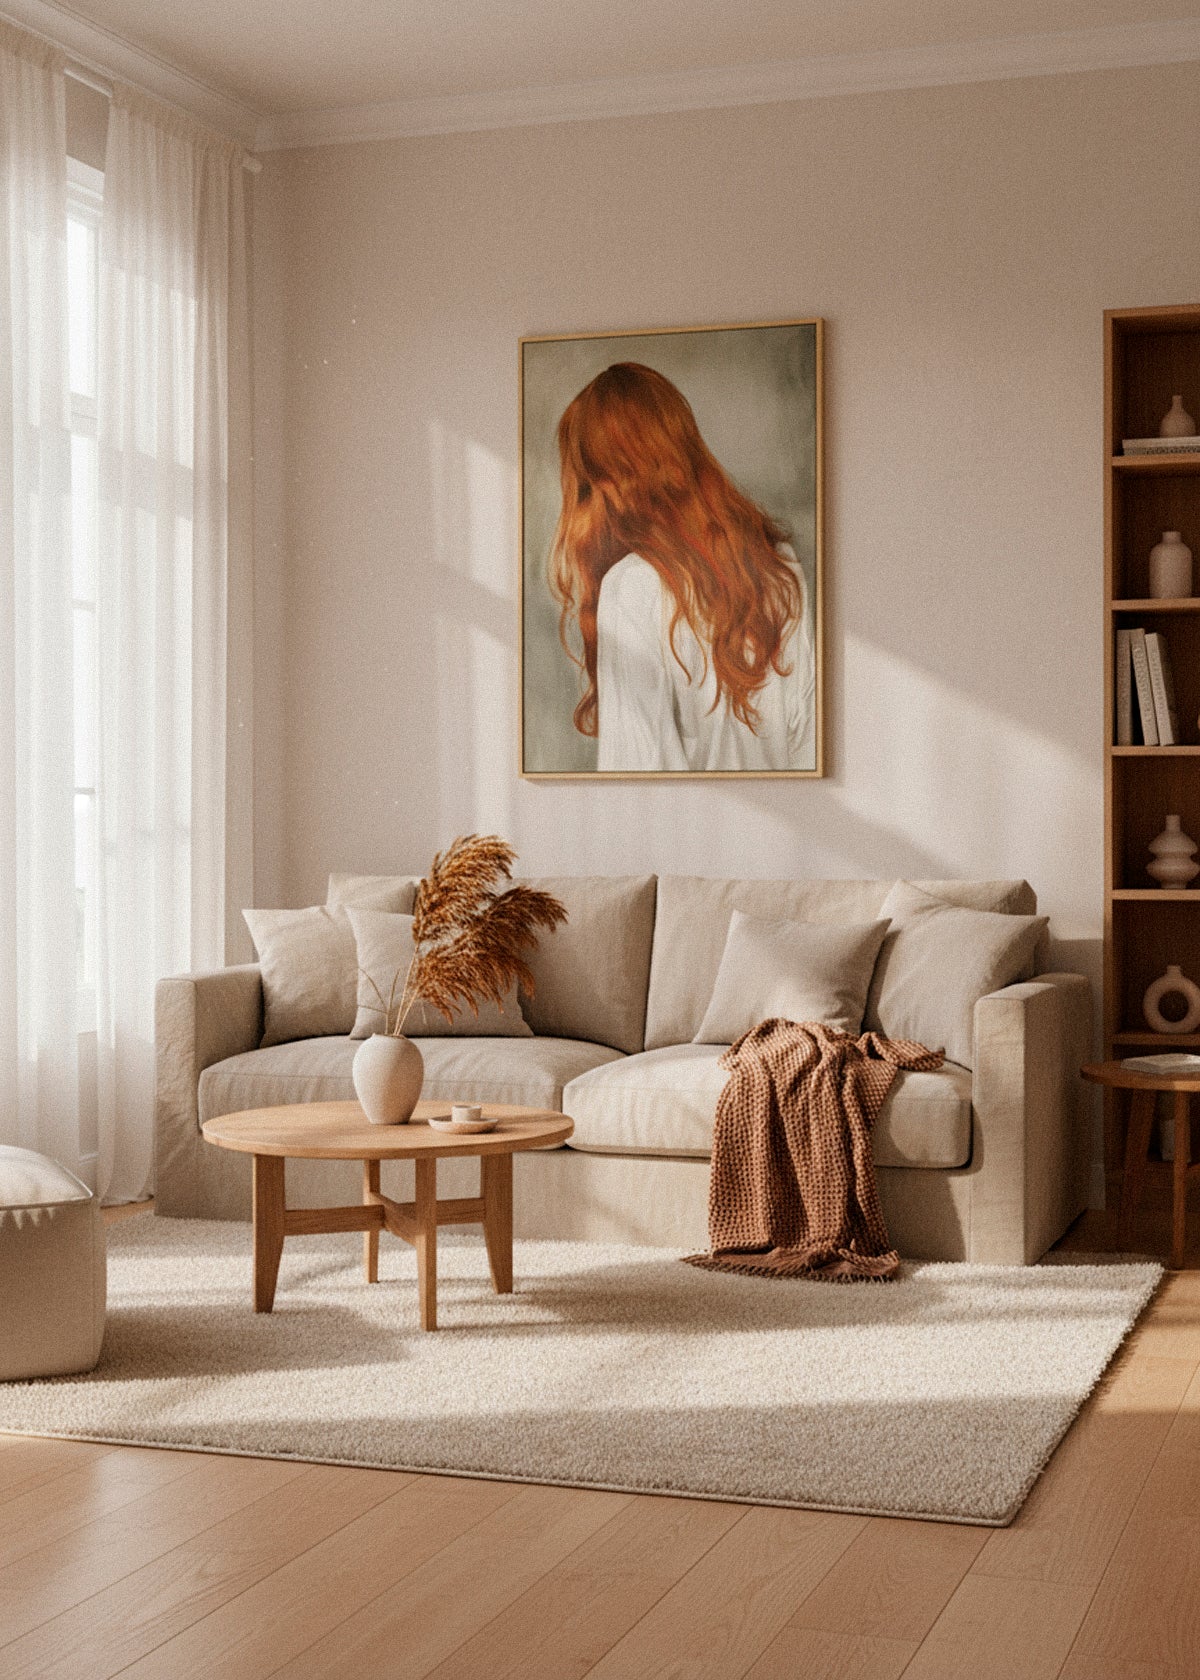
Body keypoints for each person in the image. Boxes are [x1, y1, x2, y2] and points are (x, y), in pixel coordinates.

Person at [549, 361, 815, 772]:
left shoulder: (631, 585)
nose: (600, 496)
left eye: (597, 476)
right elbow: (808, 738)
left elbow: (634, 774)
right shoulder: (780, 562)